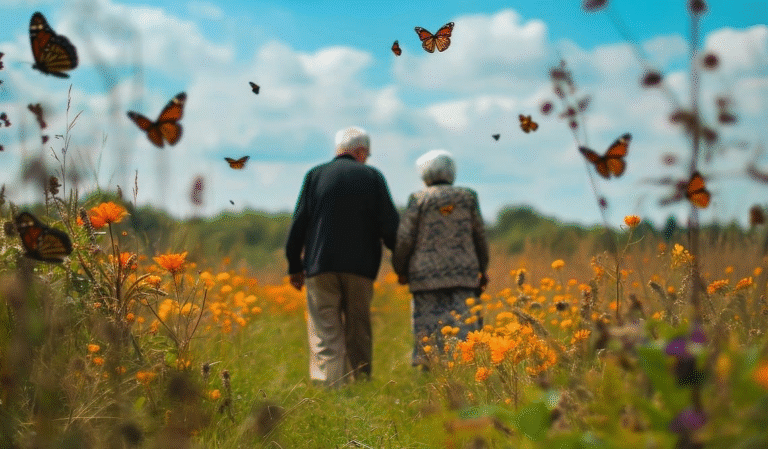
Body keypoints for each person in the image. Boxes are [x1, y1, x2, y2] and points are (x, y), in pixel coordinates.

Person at [285, 126, 400, 386]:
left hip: (319, 266)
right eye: (367, 154)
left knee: (325, 330)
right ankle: (360, 381)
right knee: (358, 327)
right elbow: (390, 227)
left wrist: (294, 265)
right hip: (360, 268)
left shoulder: (315, 175)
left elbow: (299, 223)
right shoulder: (372, 177)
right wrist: (402, 263)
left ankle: (330, 385)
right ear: (360, 152)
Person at [392, 149, 489, 369]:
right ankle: (465, 371)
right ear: (451, 173)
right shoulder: (468, 197)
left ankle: (430, 371)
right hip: (464, 275)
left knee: (428, 330)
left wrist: (401, 269)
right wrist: (483, 268)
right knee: (464, 330)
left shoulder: (418, 199)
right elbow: (479, 234)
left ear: (424, 175)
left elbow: (406, 237)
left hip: (425, 278)